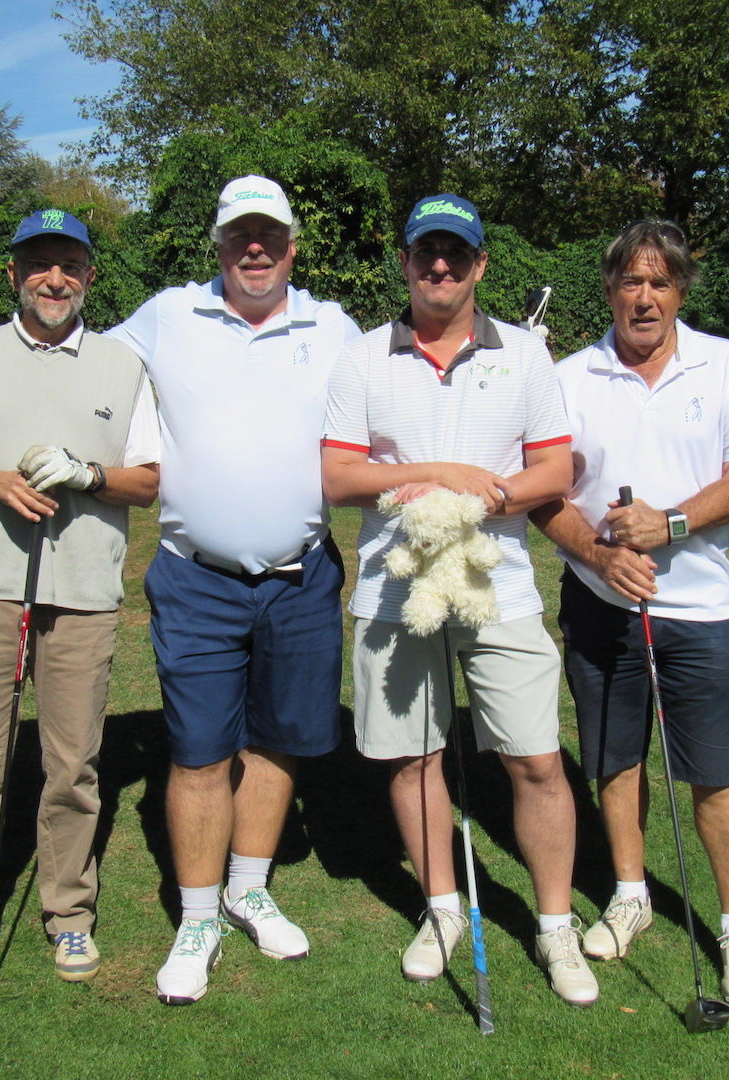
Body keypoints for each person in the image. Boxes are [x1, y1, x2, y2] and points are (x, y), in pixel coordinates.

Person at [0, 177, 360, 1006]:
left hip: (302, 577)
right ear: (219, 243)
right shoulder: (167, 315)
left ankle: (249, 887)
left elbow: (407, 370)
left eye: (271, 233)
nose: (256, 248)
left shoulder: (334, 325)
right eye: (240, 233)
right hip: (198, 577)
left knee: (279, 743)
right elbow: (60, 336)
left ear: (293, 245)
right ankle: (197, 917)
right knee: (200, 750)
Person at [321, 194, 598, 1007]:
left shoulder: (525, 357)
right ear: (405, 262)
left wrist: (493, 493)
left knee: (536, 761)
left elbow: (556, 470)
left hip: (497, 585)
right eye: (423, 253)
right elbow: (339, 477)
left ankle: (553, 926)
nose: (438, 266)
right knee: (413, 758)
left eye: (455, 253)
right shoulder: (364, 359)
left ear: (479, 264)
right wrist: (444, 474)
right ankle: (443, 909)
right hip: (392, 587)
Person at [530, 219, 729, 1006]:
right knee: (614, 759)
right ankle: (630, 893)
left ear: (679, 292)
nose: (644, 298)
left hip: (698, 606)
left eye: (659, 283)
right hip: (601, 605)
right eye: (630, 282)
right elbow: (547, 494)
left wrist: (667, 523)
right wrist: (599, 554)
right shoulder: (570, 375)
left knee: (714, 771)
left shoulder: (721, 363)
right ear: (607, 290)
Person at [0, 209, 161, 993]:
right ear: (14, 272)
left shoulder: (124, 365)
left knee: (72, 763)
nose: (53, 278)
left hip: (85, 590)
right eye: (38, 263)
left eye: (69, 264)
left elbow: (148, 481)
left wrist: (85, 473)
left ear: (89, 276)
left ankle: (68, 914)